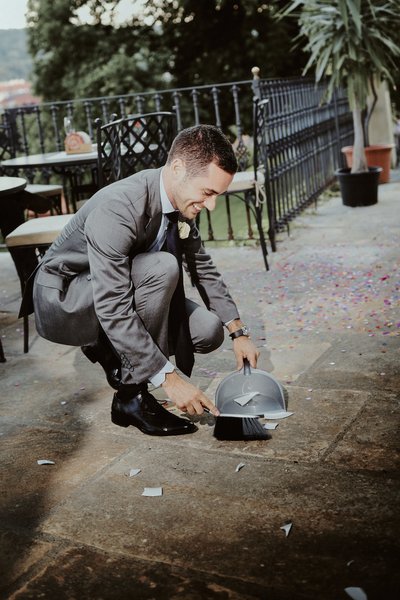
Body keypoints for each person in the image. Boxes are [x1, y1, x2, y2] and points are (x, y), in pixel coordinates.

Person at [22, 124, 260, 436]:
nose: (212, 204)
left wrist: (238, 331)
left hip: (113, 286)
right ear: (177, 169)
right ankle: (131, 397)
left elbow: (202, 267)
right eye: (208, 193)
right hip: (66, 296)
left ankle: (111, 346)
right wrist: (169, 379)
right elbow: (113, 306)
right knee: (162, 268)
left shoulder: (180, 202)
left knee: (207, 330)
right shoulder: (120, 206)